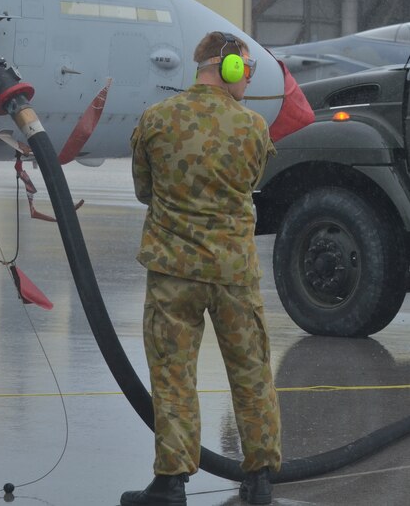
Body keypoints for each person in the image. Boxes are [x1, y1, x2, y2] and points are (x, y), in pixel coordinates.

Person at [122, 32, 282, 505]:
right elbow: (251, 183)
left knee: (173, 375)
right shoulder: (253, 127)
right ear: (229, 67)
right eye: (246, 70)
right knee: (251, 372)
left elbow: (143, 191)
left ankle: (171, 482)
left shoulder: (156, 119)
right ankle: (259, 478)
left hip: (174, 272)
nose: (248, 79)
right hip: (233, 273)